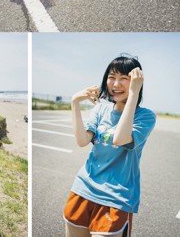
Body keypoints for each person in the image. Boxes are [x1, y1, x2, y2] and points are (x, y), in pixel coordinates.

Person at [64, 56, 156, 237]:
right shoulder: (100, 109)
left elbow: (120, 139)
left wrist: (134, 94)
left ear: (136, 81)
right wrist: (75, 103)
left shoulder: (146, 117)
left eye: (124, 78)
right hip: (82, 189)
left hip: (116, 199)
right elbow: (82, 141)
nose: (116, 84)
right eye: (112, 77)